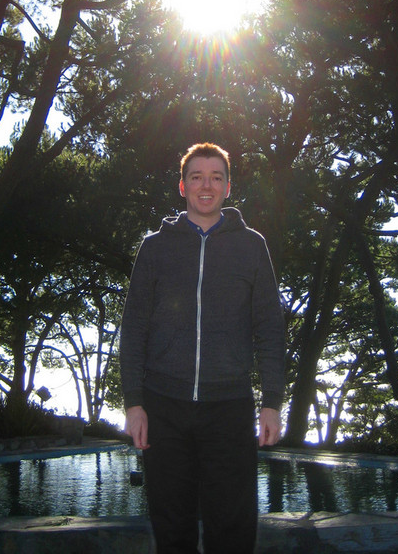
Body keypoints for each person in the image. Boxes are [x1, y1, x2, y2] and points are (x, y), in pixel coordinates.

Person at [120, 142, 286, 554]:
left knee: (232, 532)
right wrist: (134, 404)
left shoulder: (252, 246)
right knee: (172, 531)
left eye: (216, 177)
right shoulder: (155, 248)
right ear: (183, 186)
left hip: (229, 408)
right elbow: (134, 328)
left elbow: (269, 327)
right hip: (164, 407)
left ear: (228, 187)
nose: (206, 186)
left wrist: (272, 403)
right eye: (196, 177)